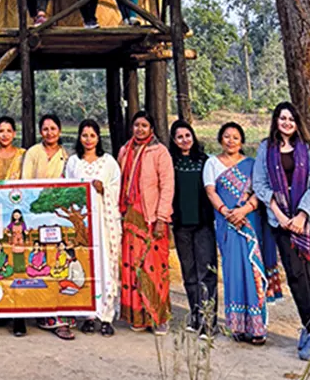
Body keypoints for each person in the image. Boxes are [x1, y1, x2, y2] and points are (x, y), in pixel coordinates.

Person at [252, 102, 310, 361]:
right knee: (295, 275)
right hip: (282, 222)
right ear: (276, 120)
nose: (286, 122)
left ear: (297, 123)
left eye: (291, 119)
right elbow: (260, 183)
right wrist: (280, 214)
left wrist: (302, 215)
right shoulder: (266, 149)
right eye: (282, 118)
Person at [204, 122, 273, 345]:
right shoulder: (212, 163)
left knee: (253, 271)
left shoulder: (251, 165)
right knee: (233, 271)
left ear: (241, 141)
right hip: (227, 224)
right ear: (220, 139)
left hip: (249, 223)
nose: (231, 141)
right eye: (226, 136)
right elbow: (211, 192)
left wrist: (244, 210)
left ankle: (257, 328)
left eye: (235, 137)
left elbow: (259, 191)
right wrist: (227, 212)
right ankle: (238, 326)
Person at [117, 110, 174, 334]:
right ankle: (138, 317)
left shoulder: (160, 152)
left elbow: (167, 187)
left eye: (144, 125)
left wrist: (162, 218)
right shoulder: (125, 150)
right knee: (132, 268)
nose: (139, 129)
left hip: (151, 218)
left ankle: (158, 317)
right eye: (136, 125)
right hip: (130, 217)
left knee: (154, 269)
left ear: (151, 129)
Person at [20, 114, 75, 339]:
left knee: (59, 261)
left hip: (59, 215)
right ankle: (44, 313)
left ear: (59, 131)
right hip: (38, 213)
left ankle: (62, 315)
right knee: (41, 258)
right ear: (40, 131)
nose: (49, 133)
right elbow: (25, 183)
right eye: (45, 129)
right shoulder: (33, 153)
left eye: (53, 128)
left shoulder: (67, 156)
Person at [64, 119, 120, 336]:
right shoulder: (73, 162)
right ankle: (88, 315)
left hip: (104, 223)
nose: (88, 140)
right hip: (84, 225)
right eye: (84, 135)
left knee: (105, 264)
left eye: (92, 135)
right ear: (79, 137)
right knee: (87, 263)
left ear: (98, 138)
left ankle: (106, 316)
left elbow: (117, 188)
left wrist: (103, 188)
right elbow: (67, 189)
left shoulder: (108, 162)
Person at [169, 119, 218, 336]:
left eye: (187, 135)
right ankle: (195, 315)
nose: (184, 140)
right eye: (179, 137)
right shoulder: (171, 163)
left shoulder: (205, 161)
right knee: (189, 273)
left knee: (206, 273)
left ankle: (209, 321)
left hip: (203, 224)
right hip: (182, 225)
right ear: (174, 140)